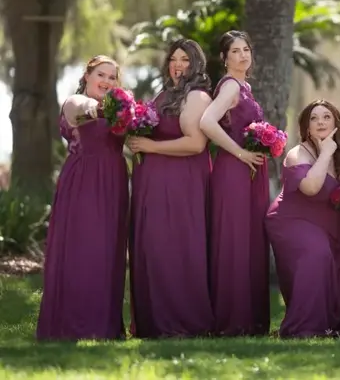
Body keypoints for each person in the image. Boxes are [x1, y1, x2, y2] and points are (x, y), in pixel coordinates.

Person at [127, 39, 215, 338]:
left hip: (179, 183)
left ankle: (182, 321)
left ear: (196, 64)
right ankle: (153, 321)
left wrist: (150, 145)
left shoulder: (197, 96)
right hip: (152, 181)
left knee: (174, 247)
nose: (178, 64)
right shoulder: (165, 94)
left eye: (185, 59)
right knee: (153, 248)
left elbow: (195, 143)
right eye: (174, 59)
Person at [36, 55, 128, 341]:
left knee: (109, 251)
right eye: (101, 74)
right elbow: (85, 110)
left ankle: (105, 327)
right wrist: (109, 108)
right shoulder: (75, 102)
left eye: (113, 77)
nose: (107, 81)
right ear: (87, 76)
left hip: (114, 180)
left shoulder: (119, 109)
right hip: (84, 182)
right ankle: (74, 324)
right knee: (84, 248)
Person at [266, 100, 340, 337]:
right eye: (314, 118)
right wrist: (326, 152)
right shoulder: (298, 153)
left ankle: (332, 325)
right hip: (294, 220)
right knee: (317, 255)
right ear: (307, 126)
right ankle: (305, 328)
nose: (320, 121)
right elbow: (311, 187)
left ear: (336, 123)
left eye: (326, 117)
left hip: (332, 224)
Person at [200, 30, 271, 336]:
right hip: (233, 172)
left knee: (248, 240)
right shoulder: (230, 87)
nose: (243, 55)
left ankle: (249, 318)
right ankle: (232, 319)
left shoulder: (245, 86)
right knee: (234, 241)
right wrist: (241, 153)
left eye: (246, 49)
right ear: (224, 58)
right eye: (236, 51)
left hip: (249, 171)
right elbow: (206, 122)